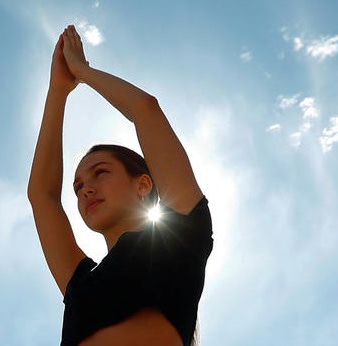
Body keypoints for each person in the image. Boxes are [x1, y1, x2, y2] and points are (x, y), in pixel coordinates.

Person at [27, 25, 213, 346]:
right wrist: (57, 91)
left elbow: (146, 110)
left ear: (143, 184)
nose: (85, 189)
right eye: (78, 186)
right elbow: (41, 196)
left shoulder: (181, 237)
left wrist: (83, 72)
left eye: (100, 173)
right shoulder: (80, 283)